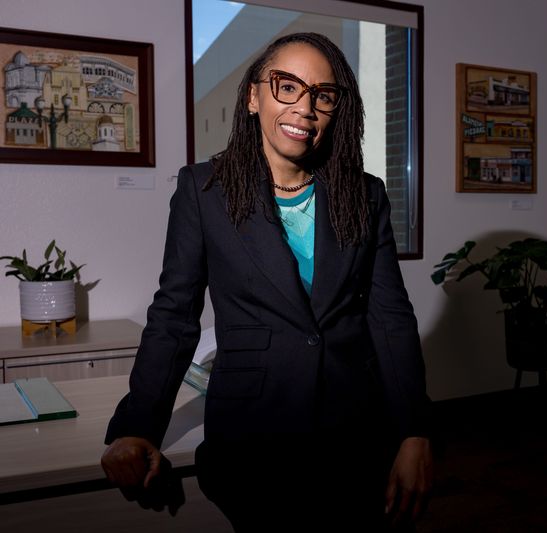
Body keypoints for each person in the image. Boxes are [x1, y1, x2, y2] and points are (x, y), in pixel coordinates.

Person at [101, 32, 433, 531]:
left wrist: (413, 431)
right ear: (254, 97)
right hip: (254, 437)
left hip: (356, 434)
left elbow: (390, 319)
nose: (305, 108)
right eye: (287, 87)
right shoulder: (204, 190)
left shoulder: (365, 195)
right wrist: (138, 425)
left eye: (322, 95)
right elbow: (174, 316)